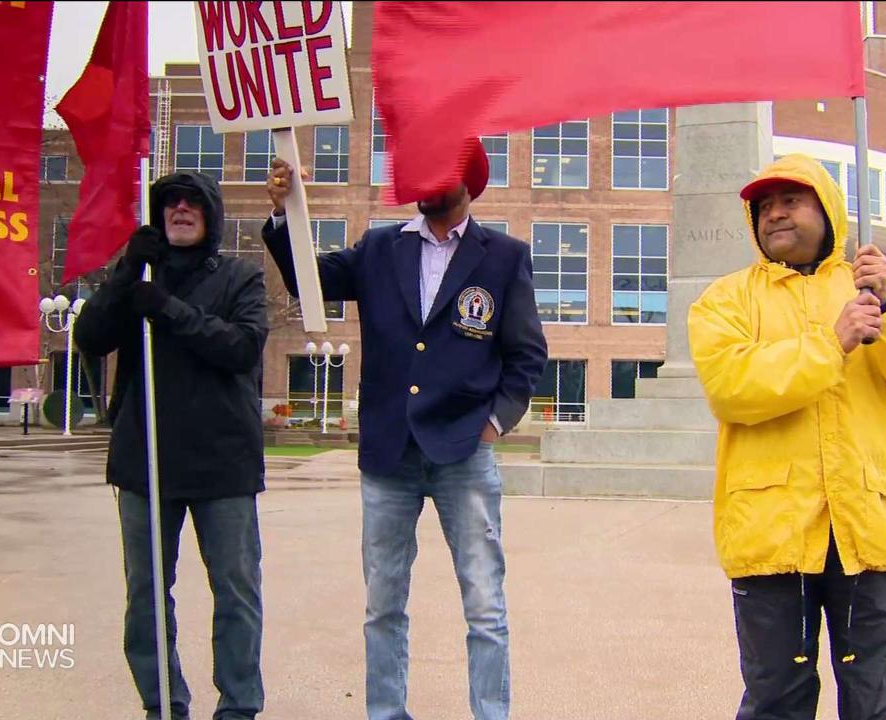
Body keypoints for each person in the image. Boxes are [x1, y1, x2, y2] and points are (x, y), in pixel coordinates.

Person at [260, 138, 547, 720]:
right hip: (388, 455)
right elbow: (307, 279)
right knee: (383, 604)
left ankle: (491, 713)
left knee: (485, 603)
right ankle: (386, 713)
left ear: (467, 183)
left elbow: (526, 356)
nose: (422, 178)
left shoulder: (504, 257)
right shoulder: (379, 248)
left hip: (464, 451)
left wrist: (493, 424)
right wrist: (285, 209)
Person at [688, 154, 886, 720]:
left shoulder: (876, 288)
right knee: (776, 702)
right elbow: (733, 386)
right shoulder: (726, 300)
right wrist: (830, 342)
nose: (774, 215)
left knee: (876, 701)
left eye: (791, 200)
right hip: (773, 534)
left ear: (828, 209)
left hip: (869, 529)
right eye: (764, 206)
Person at [74, 171, 269, 720]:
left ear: (210, 214)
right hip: (145, 462)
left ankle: (238, 705)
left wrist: (166, 309)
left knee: (235, 590)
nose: (180, 209)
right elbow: (88, 338)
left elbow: (240, 347)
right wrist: (126, 274)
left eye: (192, 202)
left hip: (223, 463)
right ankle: (163, 702)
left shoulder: (240, 278)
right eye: (169, 203)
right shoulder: (138, 278)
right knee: (147, 594)